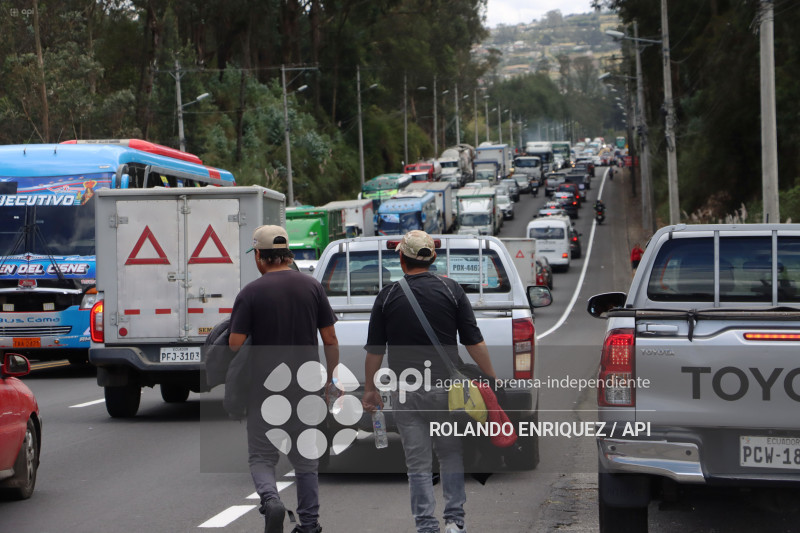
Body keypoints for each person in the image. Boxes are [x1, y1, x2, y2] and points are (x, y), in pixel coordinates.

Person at [362, 230, 497, 533]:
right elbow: (474, 342)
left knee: (418, 464)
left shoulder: (387, 296)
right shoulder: (451, 291)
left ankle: (426, 526)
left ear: (401, 258)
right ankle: (454, 522)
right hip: (447, 393)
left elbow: (374, 350)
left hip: (406, 392)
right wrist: (490, 377)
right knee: (450, 454)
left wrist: (370, 389)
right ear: (433, 257)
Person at [229, 225, 339, 533]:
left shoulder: (251, 292)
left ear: (261, 257)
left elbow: (236, 343)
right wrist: (331, 380)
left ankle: (271, 499)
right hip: (306, 388)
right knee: (306, 460)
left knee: (262, 456)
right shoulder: (312, 288)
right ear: (287, 254)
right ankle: (309, 525)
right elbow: (329, 339)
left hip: (264, 390)